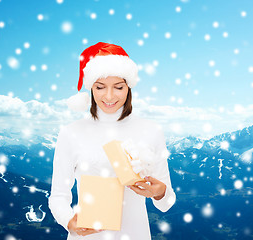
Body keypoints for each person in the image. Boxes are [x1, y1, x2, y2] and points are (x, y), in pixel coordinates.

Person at [48, 42, 176, 239]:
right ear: (91, 89)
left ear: (128, 88)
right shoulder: (71, 133)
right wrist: (69, 221)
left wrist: (160, 193)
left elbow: (166, 203)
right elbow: (58, 196)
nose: (109, 96)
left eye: (118, 87)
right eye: (100, 87)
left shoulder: (151, 131)